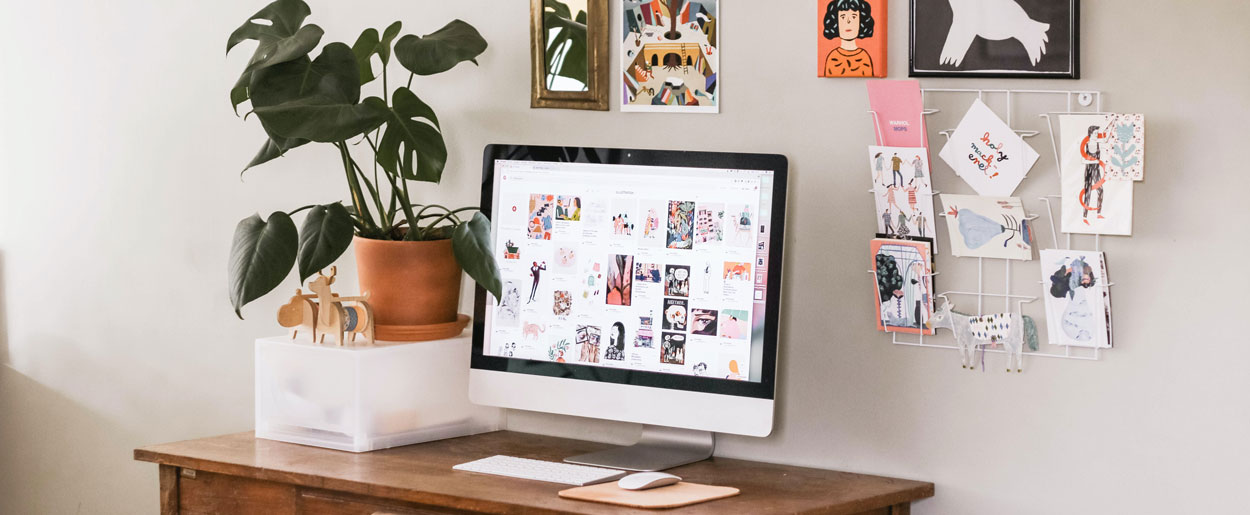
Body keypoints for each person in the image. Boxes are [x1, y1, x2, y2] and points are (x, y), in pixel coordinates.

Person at [821, 0, 876, 77]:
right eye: (843, 17)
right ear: (836, 22)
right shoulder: (832, 58)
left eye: (854, 16)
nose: (848, 21)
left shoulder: (864, 57)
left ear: (861, 21)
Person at [1080, 124, 1107, 224]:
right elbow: (1083, 160)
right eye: (1095, 133)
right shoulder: (1086, 145)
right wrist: (1093, 161)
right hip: (1088, 171)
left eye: (1097, 133)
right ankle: (1084, 216)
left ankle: (1098, 213)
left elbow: (1106, 141)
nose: (1097, 135)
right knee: (1088, 192)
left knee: (1100, 190)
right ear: (1090, 133)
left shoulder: (1098, 144)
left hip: (1096, 171)